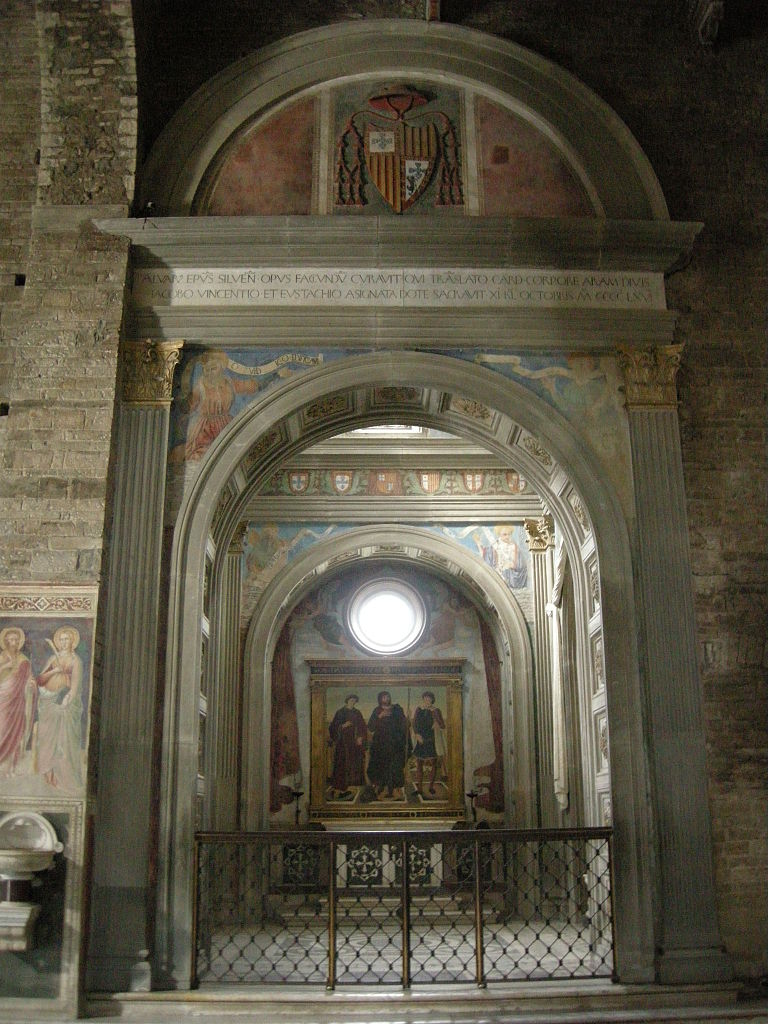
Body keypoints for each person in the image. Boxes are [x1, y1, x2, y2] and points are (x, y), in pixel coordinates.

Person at [36, 626, 84, 791]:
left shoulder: (75, 661)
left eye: (67, 639)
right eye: (61, 639)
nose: (64, 642)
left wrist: (66, 700)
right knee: (47, 738)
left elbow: (75, 686)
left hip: (65, 704)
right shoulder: (52, 659)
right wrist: (54, 670)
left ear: (72, 642)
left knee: (62, 739)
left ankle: (62, 777)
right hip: (48, 703)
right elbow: (40, 680)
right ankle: (47, 774)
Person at [0, 627, 36, 776]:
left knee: (16, 731)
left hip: (19, 700)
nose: (13, 642)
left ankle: (11, 768)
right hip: (3, 696)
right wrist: (4, 667)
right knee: (2, 729)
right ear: (6, 641)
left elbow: (29, 677)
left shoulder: (24, 660)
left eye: (16, 640)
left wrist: (31, 683)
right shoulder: (2, 657)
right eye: (11, 640)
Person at [366, 690, 408, 799]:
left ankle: (395, 790)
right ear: (380, 699)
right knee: (381, 767)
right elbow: (370, 727)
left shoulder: (397, 709)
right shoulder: (377, 711)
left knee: (395, 767)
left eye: (387, 697)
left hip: (395, 744)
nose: (386, 699)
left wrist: (407, 721)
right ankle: (382, 789)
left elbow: (403, 724)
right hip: (381, 744)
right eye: (384, 697)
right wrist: (379, 716)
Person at [328, 694, 367, 797]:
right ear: (347, 701)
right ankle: (340, 787)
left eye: (354, 700)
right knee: (342, 763)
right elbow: (332, 728)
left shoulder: (357, 713)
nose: (353, 702)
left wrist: (360, 737)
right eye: (351, 700)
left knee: (354, 763)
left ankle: (351, 785)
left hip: (354, 743)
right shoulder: (340, 712)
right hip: (343, 743)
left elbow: (362, 726)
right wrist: (343, 726)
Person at [411, 691, 446, 794]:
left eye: (429, 698)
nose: (427, 700)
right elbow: (415, 723)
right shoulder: (419, 709)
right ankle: (420, 789)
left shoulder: (436, 710)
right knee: (419, 764)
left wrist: (437, 721)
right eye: (425, 698)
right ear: (423, 699)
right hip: (420, 739)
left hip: (431, 739)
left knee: (433, 764)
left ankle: (431, 786)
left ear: (432, 700)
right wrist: (417, 734)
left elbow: (442, 725)